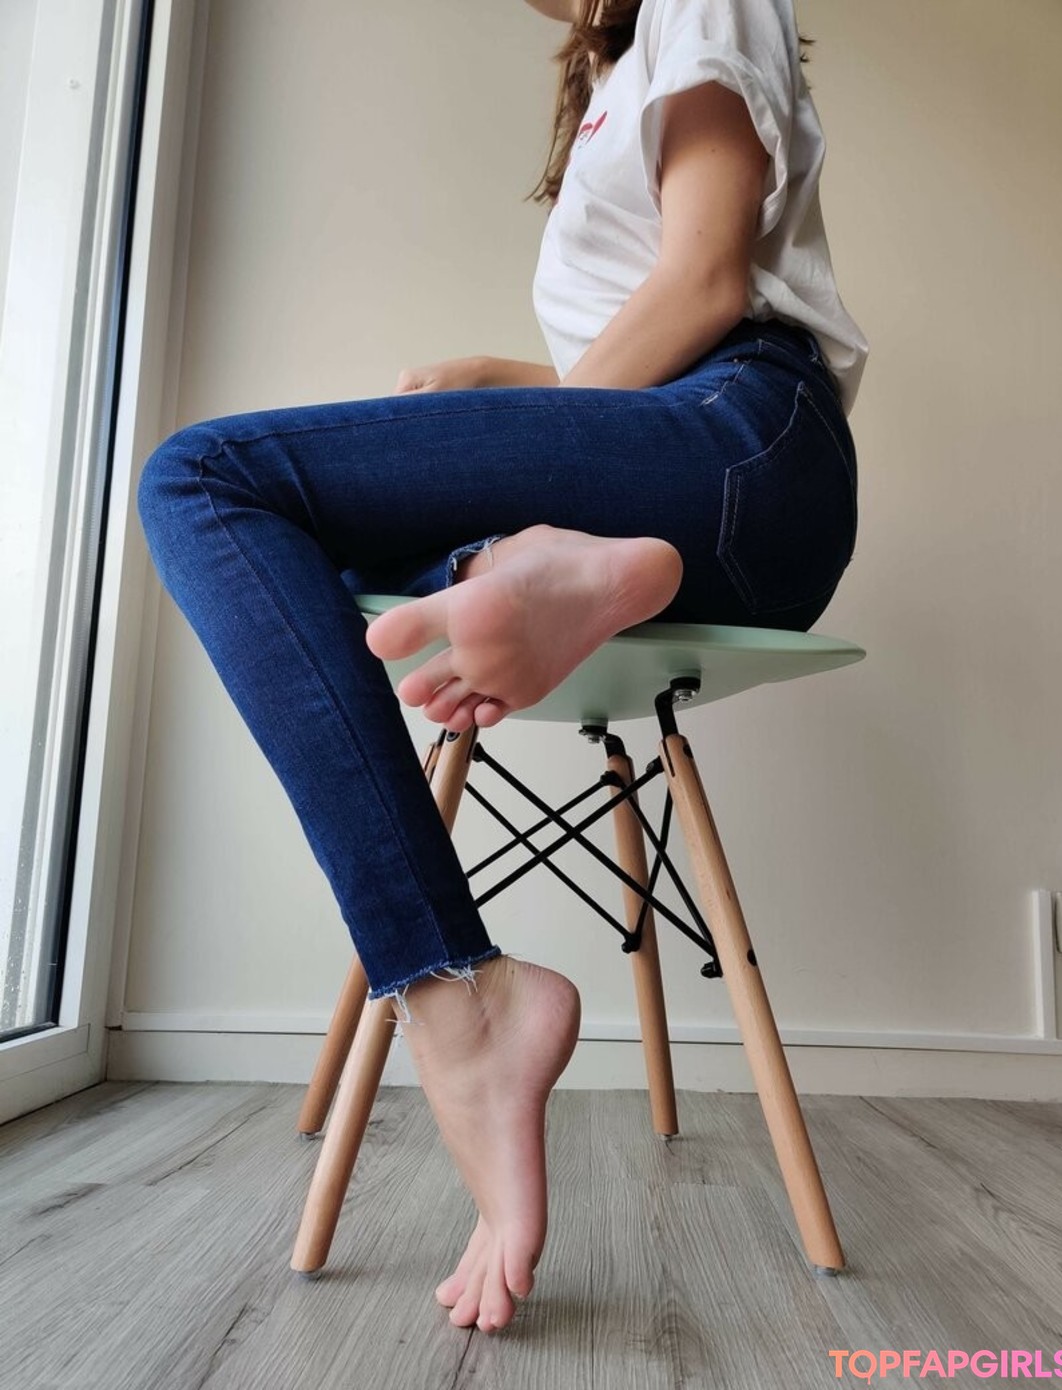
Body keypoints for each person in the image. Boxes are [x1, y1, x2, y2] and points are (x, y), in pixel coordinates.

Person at [136, 0, 868, 1337]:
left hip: (750, 446)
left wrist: (533, 419)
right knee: (319, 580)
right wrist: (503, 379)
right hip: (721, 491)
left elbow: (710, 285)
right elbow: (666, 311)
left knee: (204, 480)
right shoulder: (615, 74)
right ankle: (532, 564)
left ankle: (449, 994)